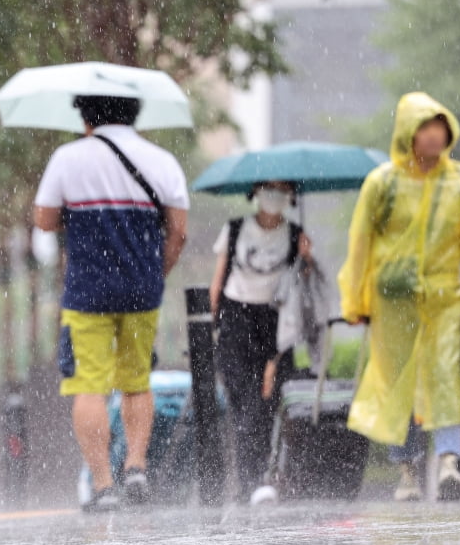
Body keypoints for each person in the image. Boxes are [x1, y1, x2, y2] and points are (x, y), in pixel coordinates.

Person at [338, 92, 460, 502]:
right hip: (393, 302)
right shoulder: (382, 184)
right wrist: (355, 300)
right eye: (425, 128)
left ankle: (449, 462)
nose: (434, 136)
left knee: (445, 378)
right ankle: (407, 470)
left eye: (440, 127)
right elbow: (360, 243)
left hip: (443, 301)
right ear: (408, 133)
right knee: (397, 383)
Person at [33, 95, 189, 513]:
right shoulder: (162, 161)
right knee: (137, 380)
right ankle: (136, 467)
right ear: (134, 114)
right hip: (143, 291)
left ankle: (103, 486)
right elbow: (179, 232)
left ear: (86, 119)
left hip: (88, 292)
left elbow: (44, 220)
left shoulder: (68, 158)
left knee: (90, 387)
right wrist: (157, 274)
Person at [209, 181, 312, 502]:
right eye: (269, 188)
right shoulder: (236, 228)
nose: (274, 196)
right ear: (255, 191)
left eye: (282, 190)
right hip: (236, 320)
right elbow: (219, 278)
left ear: (292, 196)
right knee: (244, 403)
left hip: (277, 324)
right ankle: (250, 482)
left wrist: (306, 259)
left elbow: (305, 286)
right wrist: (210, 323)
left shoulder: (296, 234)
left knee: (267, 404)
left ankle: (257, 480)